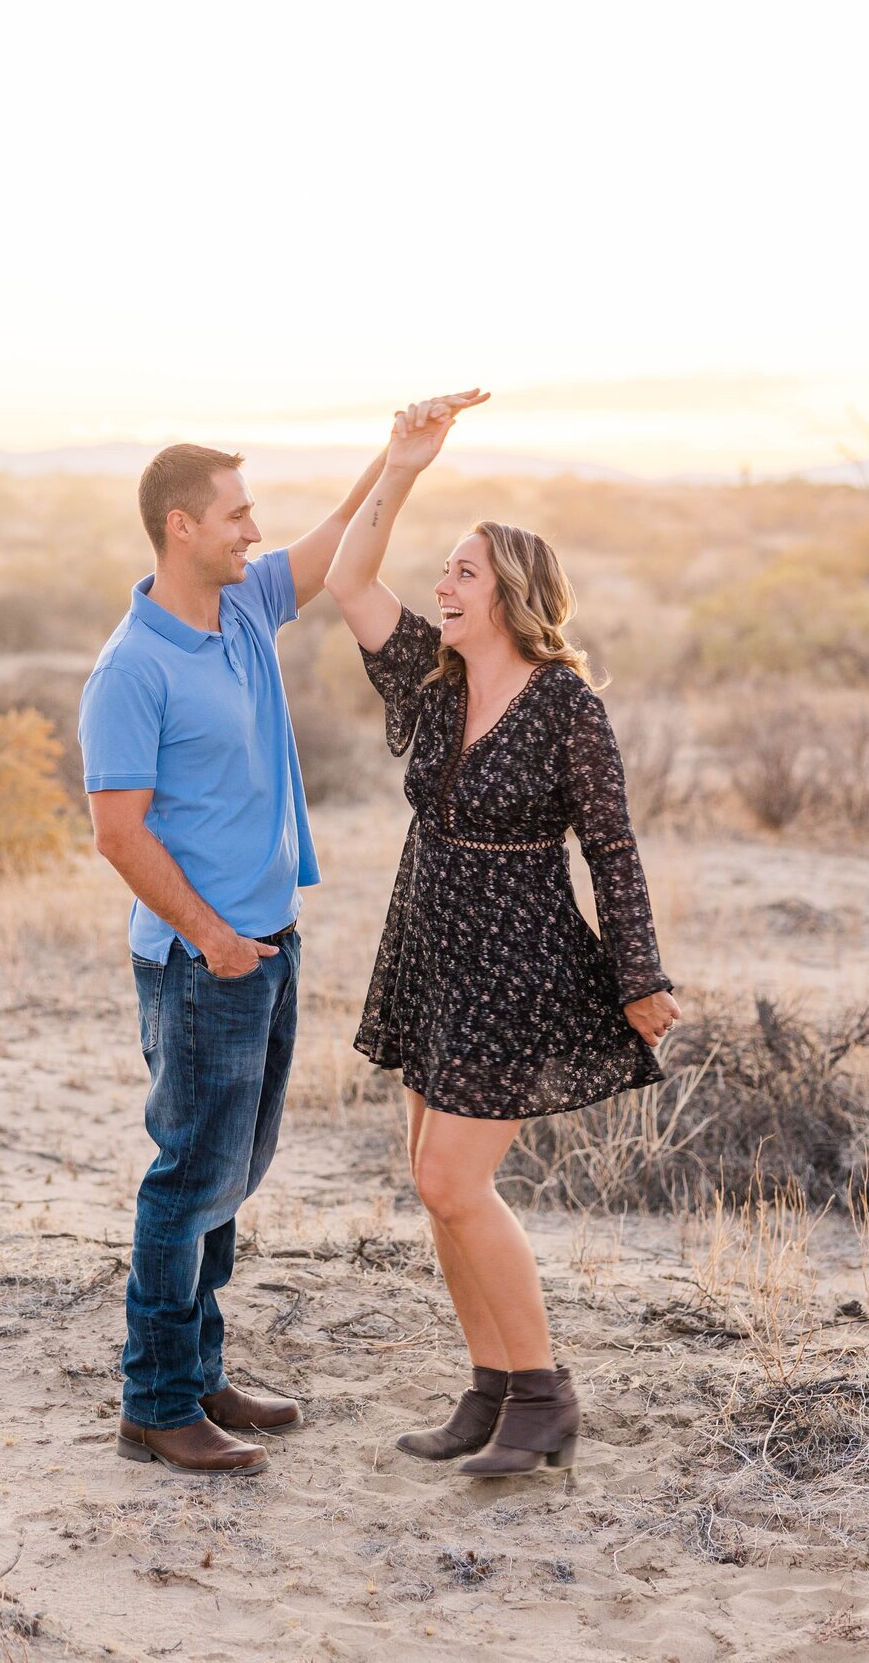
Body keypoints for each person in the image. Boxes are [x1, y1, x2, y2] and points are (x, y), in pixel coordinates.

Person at [76, 416, 482, 1475]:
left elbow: (341, 537)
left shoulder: (244, 606)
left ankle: (199, 1375)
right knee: (188, 1179)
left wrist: (399, 459)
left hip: (264, 946)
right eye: (237, 514)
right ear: (181, 527)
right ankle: (154, 1405)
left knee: (232, 1175)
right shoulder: (131, 669)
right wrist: (211, 938)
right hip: (200, 961)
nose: (255, 529)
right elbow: (117, 832)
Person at [325, 395, 681, 1478]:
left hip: (519, 955)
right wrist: (402, 464)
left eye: (464, 573)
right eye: (444, 571)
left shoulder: (569, 706)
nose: (443, 586)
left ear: (514, 594)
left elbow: (610, 849)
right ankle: (487, 1390)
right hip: (431, 941)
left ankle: (544, 1394)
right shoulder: (430, 680)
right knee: (433, 1178)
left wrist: (638, 975)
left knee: (452, 1182)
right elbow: (347, 577)